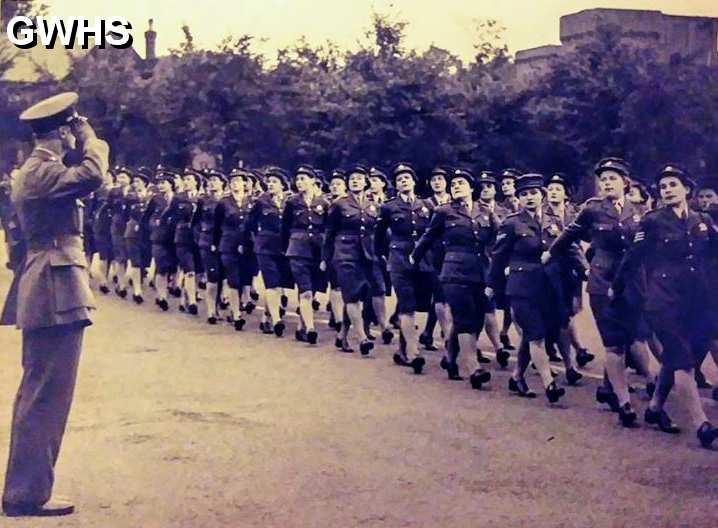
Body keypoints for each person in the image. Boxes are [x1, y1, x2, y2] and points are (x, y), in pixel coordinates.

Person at [0, 92, 110, 517]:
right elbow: (94, 173)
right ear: (63, 131)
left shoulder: (38, 169)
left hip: (50, 283)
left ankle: (26, 489)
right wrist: (92, 137)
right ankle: (27, 494)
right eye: (72, 128)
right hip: (54, 286)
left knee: (41, 392)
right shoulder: (42, 171)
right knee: (46, 395)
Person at [613, 164, 718, 448]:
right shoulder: (652, 221)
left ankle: (656, 406)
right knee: (682, 360)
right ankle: (702, 425)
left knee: (683, 357)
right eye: (663, 187)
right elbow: (633, 258)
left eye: (673, 185)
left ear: (687, 189)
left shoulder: (702, 220)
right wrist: (617, 288)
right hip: (663, 300)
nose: (668, 190)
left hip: (696, 301)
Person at [550, 158, 653, 425]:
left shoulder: (639, 211)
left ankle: (609, 388)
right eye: (603, 179)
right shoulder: (592, 209)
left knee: (634, 336)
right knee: (613, 342)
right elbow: (569, 236)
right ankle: (624, 403)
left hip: (633, 281)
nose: (607, 183)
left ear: (625, 182)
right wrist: (550, 255)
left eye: (612, 178)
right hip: (602, 280)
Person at [488, 174, 571, 403]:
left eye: (533, 193)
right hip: (522, 287)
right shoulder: (512, 223)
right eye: (524, 194)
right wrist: (492, 285)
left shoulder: (553, 220)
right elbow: (498, 257)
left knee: (539, 334)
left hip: (549, 286)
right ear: (519, 198)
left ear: (542, 195)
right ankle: (549, 384)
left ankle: (517, 376)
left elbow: (566, 248)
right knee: (535, 335)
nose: (529, 198)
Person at [411, 168, 497, 389]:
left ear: (471, 188)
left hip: (480, 271)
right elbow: (428, 236)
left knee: (477, 319)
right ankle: (473, 369)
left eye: (461, 183)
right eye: (454, 184)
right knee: (465, 318)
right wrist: (415, 257)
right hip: (454, 271)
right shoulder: (444, 211)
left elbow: (499, 240)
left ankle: (450, 358)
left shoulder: (484, 211)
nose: (457, 186)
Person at [322, 165, 390, 355]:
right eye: (352, 178)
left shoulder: (373, 206)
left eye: (359, 178)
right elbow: (329, 233)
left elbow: (378, 233)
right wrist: (326, 258)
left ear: (365, 182)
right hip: (345, 254)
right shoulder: (339, 204)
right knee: (352, 296)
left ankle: (342, 334)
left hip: (367, 255)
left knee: (367, 292)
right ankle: (362, 337)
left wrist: (382, 253)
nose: (355, 181)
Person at [375, 163, 434, 374]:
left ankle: (402, 350)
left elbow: (433, 233)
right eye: (399, 179)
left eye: (407, 178)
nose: (403, 182)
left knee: (414, 305)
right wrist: (384, 255)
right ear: (396, 185)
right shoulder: (389, 207)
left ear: (414, 181)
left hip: (423, 261)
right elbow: (379, 235)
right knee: (407, 306)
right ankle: (413, 352)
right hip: (399, 260)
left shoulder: (426, 205)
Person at [281, 165, 330, 344]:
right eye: (298, 179)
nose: (300, 182)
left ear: (313, 181)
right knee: (306, 291)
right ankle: (310, 328)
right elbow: (285, 227)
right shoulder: (292, 202)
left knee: (314, 289)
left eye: (304, 178)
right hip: (298, 249)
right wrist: (286, 248)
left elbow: (327, 228)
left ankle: (302, 326)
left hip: (317, 250)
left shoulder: (324, 203)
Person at [247, 166, 294, 336]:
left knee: (279, 284)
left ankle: (266, 317)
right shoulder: (261, 201)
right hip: (265, 247)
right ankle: (276, 320)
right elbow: (250, 224)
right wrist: (257, 240)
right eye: (269, 182)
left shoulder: (291, 201)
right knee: (271, 284)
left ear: (283, 185)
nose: (271, 185)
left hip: (284, 247)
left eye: (275, 182)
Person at [215, 169, 255, 331]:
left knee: (245, 278)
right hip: (228, 245)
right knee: (233, 280)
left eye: (238, 181)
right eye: (232, 181)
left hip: (247, 247)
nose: (235, 184)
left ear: (245, 184)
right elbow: (217, 226)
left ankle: (236, 308)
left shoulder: (251, 202)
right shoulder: (224, 203)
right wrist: (215, 244)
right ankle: (237, 314)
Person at [123, 168, 152, 303]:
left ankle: (131, 283)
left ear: (145, 183)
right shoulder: (130, 196)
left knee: (144, 261)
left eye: (138, 181)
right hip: (132, 232)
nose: (135, 184)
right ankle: (137, 290)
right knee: (135, 261)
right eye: (134, 181)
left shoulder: (152, 197)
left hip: (146, 233)